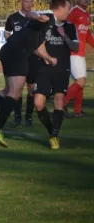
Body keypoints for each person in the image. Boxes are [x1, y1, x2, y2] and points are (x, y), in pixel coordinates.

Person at [0, 0, 72, 147]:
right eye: (68, 8)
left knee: (8, 90)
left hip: (8, 50)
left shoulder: (50, 23)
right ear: (60, 9)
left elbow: (37, 45)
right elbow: (30, 14)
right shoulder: (49, 16)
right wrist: (39, 16)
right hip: (18, 52)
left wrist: (47, 57)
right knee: (15, 93)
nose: (69, 12)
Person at [34, 18, 79, 150]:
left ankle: (54, 136)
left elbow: (75, 48)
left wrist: (63, 34)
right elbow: (35, 47)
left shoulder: (70, 27)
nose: (68, 11)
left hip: (62, 69)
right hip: (44, 69)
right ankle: (51, 131)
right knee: (38, 103)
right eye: (66, 8)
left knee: (59, 101)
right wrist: (45, 57)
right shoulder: (44, 25)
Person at [3, 0, 38, 127]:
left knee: (31, 87)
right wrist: (13, 45)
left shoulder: (36, 17)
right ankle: (17, 116)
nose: (29, 4)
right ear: (21, 2)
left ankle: (28, 116)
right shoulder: (12, 18)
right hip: (18, 58)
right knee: (17, 88)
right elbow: (7, 33)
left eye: (31, 1)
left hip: (33, 57)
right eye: (26, 1)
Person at [64, 0, 94, 117]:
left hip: (80, 53)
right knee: (80, 81)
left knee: (81, 82)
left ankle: (77, 110)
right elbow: (65, 28)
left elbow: (87, 34)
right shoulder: (74, 12)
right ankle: (61, 105)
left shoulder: (86, 14)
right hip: (73, 52)